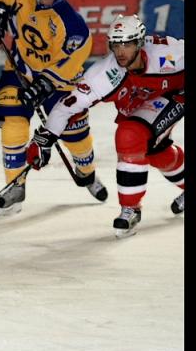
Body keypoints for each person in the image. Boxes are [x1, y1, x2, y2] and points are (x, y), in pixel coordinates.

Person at [26, 14, 184, 238]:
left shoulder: (168, 53)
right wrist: (43, 140)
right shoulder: (105, 74)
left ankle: (130, 209)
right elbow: (67, 106)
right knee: (156, 152)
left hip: (177, 94)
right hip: (146, 105)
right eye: (116, 44)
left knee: (130, 135)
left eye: (127, 44)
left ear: (140, 43)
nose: (120, 51)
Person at [0, 0, 107, 215]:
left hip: (59, 82)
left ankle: (87, 173)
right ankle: (15, 187)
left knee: (75, 137)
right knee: (13, 124)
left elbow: (69, 65)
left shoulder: (73, 25)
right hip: (19, 71)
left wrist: (43, 86)